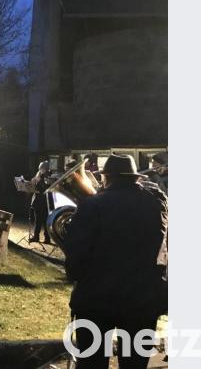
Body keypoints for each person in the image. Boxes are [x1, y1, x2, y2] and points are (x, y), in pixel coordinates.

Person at [64, 154, 168, 369]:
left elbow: (76, 258)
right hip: (142, 301)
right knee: (134, 364)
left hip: (96, 300)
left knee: (92, 363)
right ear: (135, 178)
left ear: (106, 178)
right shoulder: (156, 204)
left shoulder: (91, 205)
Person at [29, 160, 51, 244]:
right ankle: (44, 238)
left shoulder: (46, 176)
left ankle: (39, 237)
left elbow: (44, 187)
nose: (41, 169)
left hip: (41, 200)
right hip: (40, 200)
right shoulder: (39, 175)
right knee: (41, 220)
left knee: (40, 220)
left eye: (42, 168)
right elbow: (34, 186)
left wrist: (37, 181)